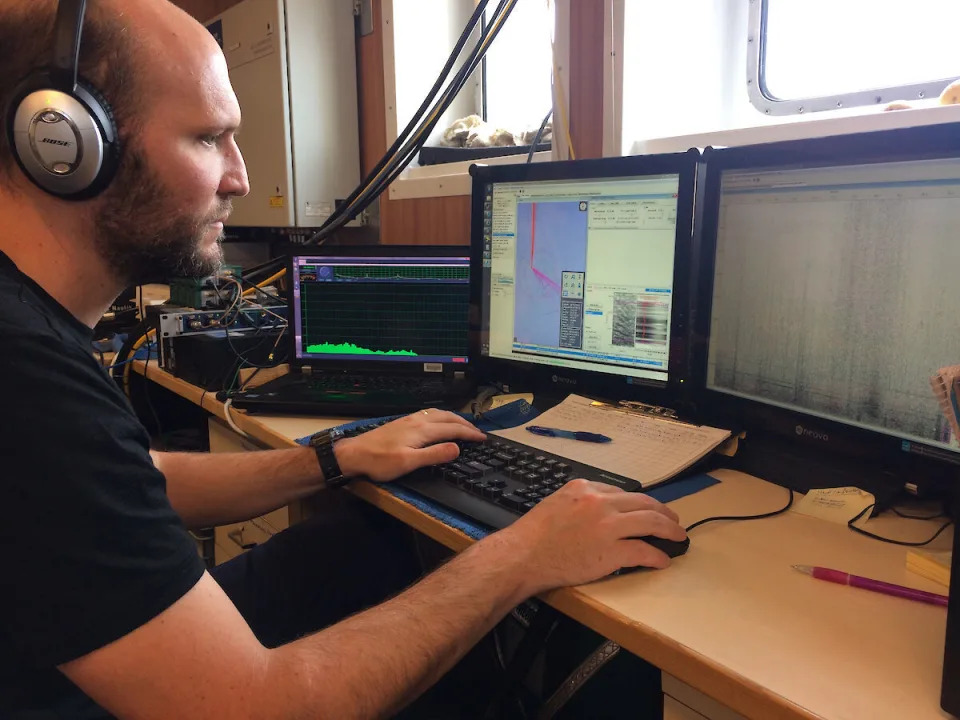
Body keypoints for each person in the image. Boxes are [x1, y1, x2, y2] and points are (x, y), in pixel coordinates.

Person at [0, 1, 688, 718]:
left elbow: (140, 480)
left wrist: (334, 458)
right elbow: (252, 710)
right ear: (67, 146)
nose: (239, 176)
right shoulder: (24, 376)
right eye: (208, 138)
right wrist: (524, 553)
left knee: (366, 545)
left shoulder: (31, 333)